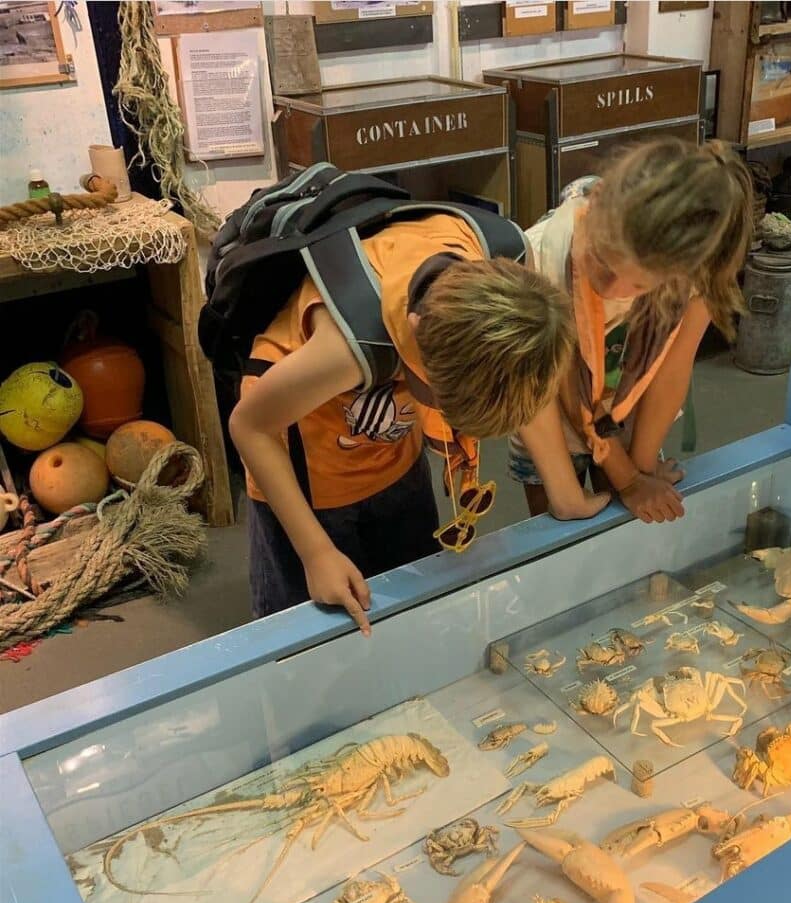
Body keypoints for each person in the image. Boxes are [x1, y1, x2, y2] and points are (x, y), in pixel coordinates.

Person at [230, 212, 591, 631]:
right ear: (416, 339)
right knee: (319, 627)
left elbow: (525, 382)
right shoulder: (351, 348)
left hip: (394, 446)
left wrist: (564, 494)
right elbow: (249, 426)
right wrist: (315, 553)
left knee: (410, 610)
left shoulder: (505, 268)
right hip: (305, 464)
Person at [509, 137, 754, 524]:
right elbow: (556, 391)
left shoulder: (692, 273)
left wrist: (639, 467)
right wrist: (627, 481)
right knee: (562, 539)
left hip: (626, 413)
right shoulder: (535, 257)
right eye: (604, 261)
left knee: (631, 529)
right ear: (599, 201)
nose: (614, 290)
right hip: (551, 422)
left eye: (641, 286)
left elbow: (673, 369)